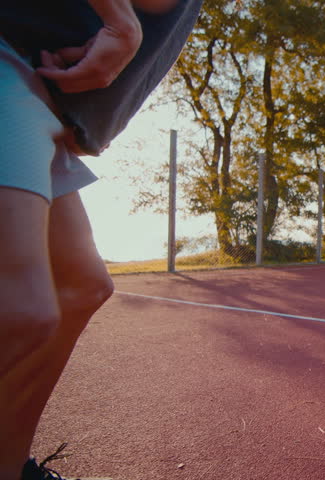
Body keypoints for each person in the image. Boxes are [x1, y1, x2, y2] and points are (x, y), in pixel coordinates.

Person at [0, 1, 202, 479]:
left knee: (81, 286)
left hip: (42, 104)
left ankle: (9, 466)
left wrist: (100, 114)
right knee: (20, 309)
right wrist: (120, 21)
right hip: (10, 62)